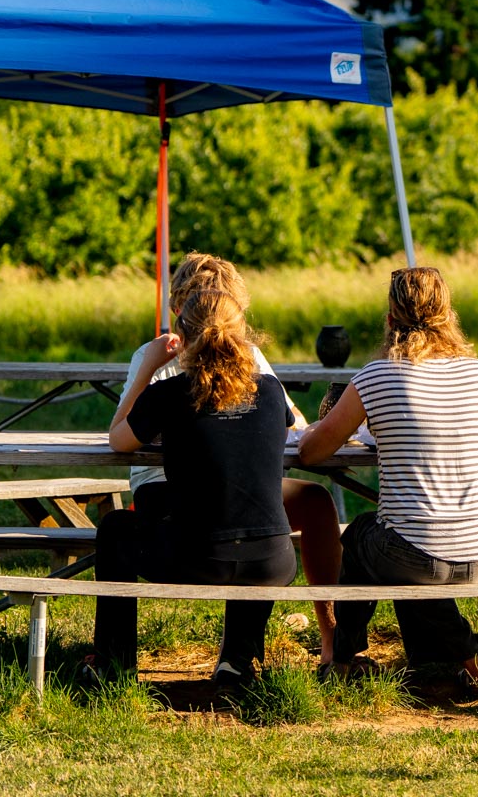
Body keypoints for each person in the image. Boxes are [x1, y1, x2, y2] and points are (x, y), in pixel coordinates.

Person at [120, 257, 342, 675]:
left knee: (308, 502)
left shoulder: (251, 358)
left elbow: (292, 419)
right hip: (168, 484)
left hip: (233, 489)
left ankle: (328, 636)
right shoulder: (157, 359)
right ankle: (242, 653)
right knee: (250, 510)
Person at [90, 254, 297, 689]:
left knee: (114, 529)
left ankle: (115, 664)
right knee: (245, 509)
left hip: (199, 553)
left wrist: (148, 366)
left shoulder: (169, 391)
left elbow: (117, 440)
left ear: (180, 332)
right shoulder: (272, 388)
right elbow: (291, 427)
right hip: (275, 561)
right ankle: (238, 661)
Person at [298, 266, 478, 703]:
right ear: (448, 313)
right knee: (398, 545)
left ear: (391, 317)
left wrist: (315, 429)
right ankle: (411, 659)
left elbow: (313, 452)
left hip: (418, 555)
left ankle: (344, 661)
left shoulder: (378, 376)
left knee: (364, 539)